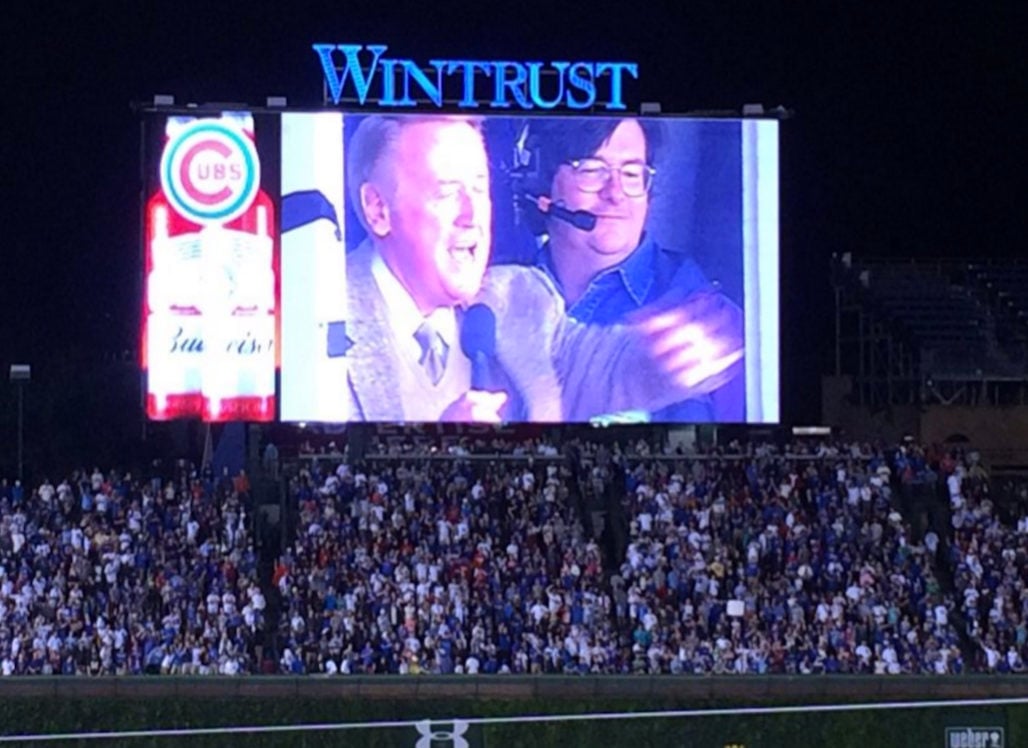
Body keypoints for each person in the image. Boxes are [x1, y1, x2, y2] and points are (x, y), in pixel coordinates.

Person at [342, 114, 742, 423]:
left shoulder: (521, 296)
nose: (471, 216)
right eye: (447, 192)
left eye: (479, 189)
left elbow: (599, 370)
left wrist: (666, 361)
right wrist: (431, 451)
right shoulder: (309, 317)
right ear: (378, 209)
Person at [528, 117, 744, 421]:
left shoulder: (713, 323)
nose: (615, 193)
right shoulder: (492, 304)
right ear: (541, 189)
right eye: (592, 170)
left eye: (631, 174)